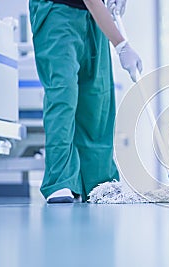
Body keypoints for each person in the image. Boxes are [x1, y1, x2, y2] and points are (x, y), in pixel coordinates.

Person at [29, 0, 142, 203]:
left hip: (92, 17)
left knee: (97, 100)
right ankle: (60, 181)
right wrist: (121, 45)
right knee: (64, 96)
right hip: (57, 13)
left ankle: (99, 183)